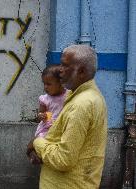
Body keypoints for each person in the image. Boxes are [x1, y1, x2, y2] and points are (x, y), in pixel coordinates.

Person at [26, 44, 107, 189]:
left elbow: (64, 159)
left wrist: (37, 143)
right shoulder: (80, 95)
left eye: (64, 66)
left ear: (81, 71)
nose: (60, 71)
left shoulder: (82, 104)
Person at [28, 65, 68, 164]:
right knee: (39, 142)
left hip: (61, 127)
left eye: (49, 84)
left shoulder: (68, 96)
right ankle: (33, 155)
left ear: (61, 83)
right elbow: (40, 114)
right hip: (47, 127)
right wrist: (41, 116)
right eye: (44, 84)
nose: (45, 87)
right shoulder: (45, 99)